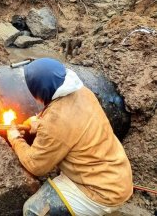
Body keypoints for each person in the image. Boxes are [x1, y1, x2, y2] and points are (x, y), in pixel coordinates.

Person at [7, 58, 133, 216]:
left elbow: (36, 165)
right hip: (118, 176)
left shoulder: (56, 121)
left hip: (100, 192)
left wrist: (15, 140)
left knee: (33, 210)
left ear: (38, 91)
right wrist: (40, 121)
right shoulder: (83, 92)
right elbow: (71, 124)